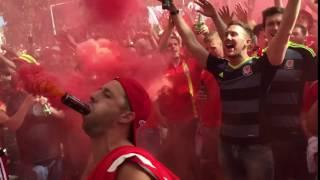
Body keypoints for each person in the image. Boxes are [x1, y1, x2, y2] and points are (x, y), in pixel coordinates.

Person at [163, 0, 301, 179]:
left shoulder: (263, 66)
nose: (227, 37)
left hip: (256, 149)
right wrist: (173, 10)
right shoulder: (221, 68)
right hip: (226, 146)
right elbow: (191, 42)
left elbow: (285, 29)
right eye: (226, 35)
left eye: (233, 34)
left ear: (248, 43)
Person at [80, 77, 179, 180]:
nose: (93, 95)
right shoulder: (98, 164)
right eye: (98, 90)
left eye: (107, 95)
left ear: (126, 117)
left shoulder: (130, 171)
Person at [261, 6, 317, 180]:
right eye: (270, 24)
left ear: (288, 26)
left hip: (296, 136)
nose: (276, 27)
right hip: (264, 140)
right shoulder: (254, 57)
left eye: (280, 23)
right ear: (263, 30)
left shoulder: (303, 55)